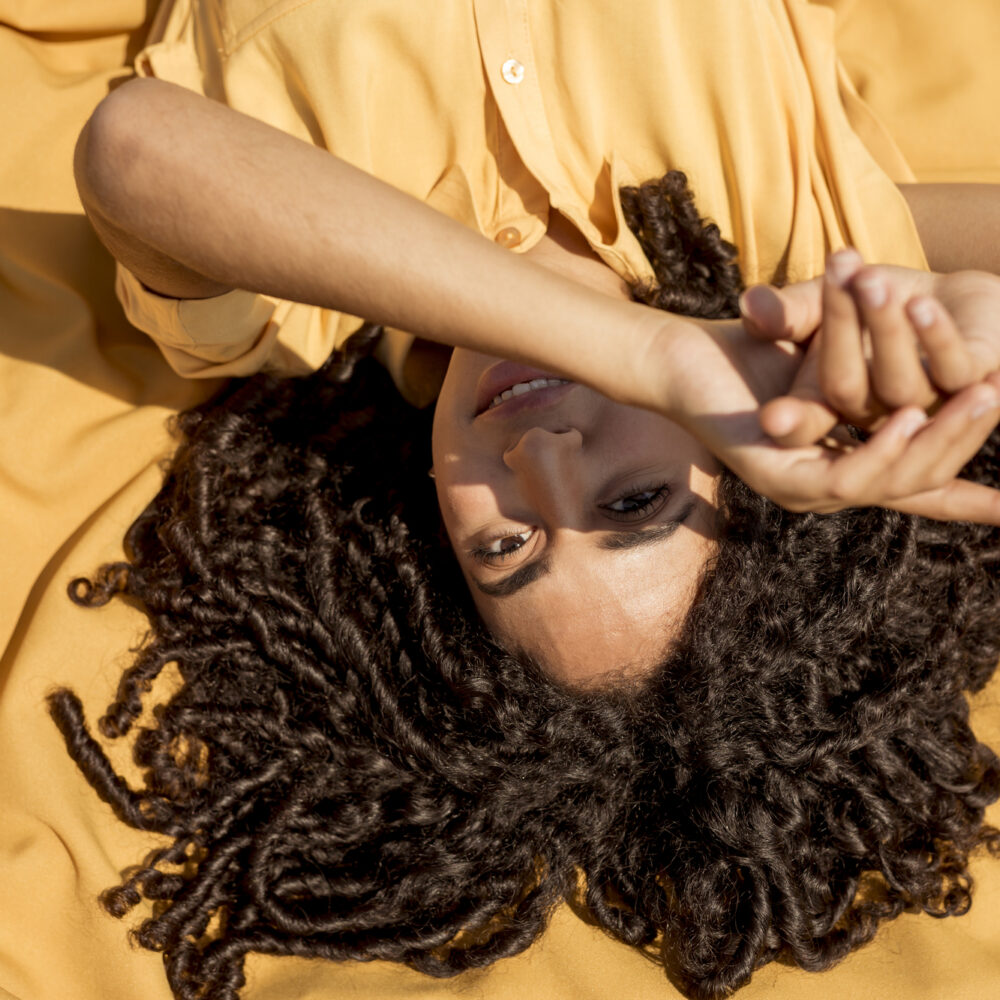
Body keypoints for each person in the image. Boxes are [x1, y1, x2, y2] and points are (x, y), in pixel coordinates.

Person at [5, 1, 1000, 999]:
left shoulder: (279, 305)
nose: (540, 456)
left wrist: (651, 357)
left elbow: (131, 144)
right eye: (633, 502)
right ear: (743, 471)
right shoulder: (804, 238)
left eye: (505, 548)